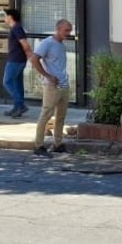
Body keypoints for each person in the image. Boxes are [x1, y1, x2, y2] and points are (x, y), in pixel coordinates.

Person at [30, 19, 72, 156]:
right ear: (58, 29)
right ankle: (39, 145)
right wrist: (47, 76)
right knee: (46, 115)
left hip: (63, 85)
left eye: (69, 30)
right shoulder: (47, 43)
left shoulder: (61, 45)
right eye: (66, 30)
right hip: (51, 86)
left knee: (61, 116)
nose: (68, 33)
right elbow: (34, 59)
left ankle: (58, 143)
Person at [3, 9, 31, 117]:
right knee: (17, 83)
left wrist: (30, 55)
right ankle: (16, 108)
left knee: (7, 82)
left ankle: (20, 105)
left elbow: (25, 44)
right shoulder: (15, 28)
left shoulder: (17, 28)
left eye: (5, 16)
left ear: (11, 17)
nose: (4, 18)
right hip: (17, 59)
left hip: (16, 60)